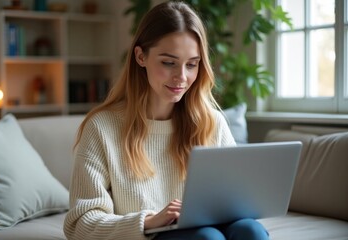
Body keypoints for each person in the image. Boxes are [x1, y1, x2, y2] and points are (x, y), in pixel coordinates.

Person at [64, 1, 269, 240]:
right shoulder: (102, 127)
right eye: (169, 62)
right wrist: (148, 222)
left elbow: (235, 201)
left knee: (250, 230)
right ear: (141, 56)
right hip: (151, 236)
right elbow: (79, 224)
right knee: (207, 238)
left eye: (191, 64)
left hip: (208, 230)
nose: (181, 77)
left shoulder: (212, 123)